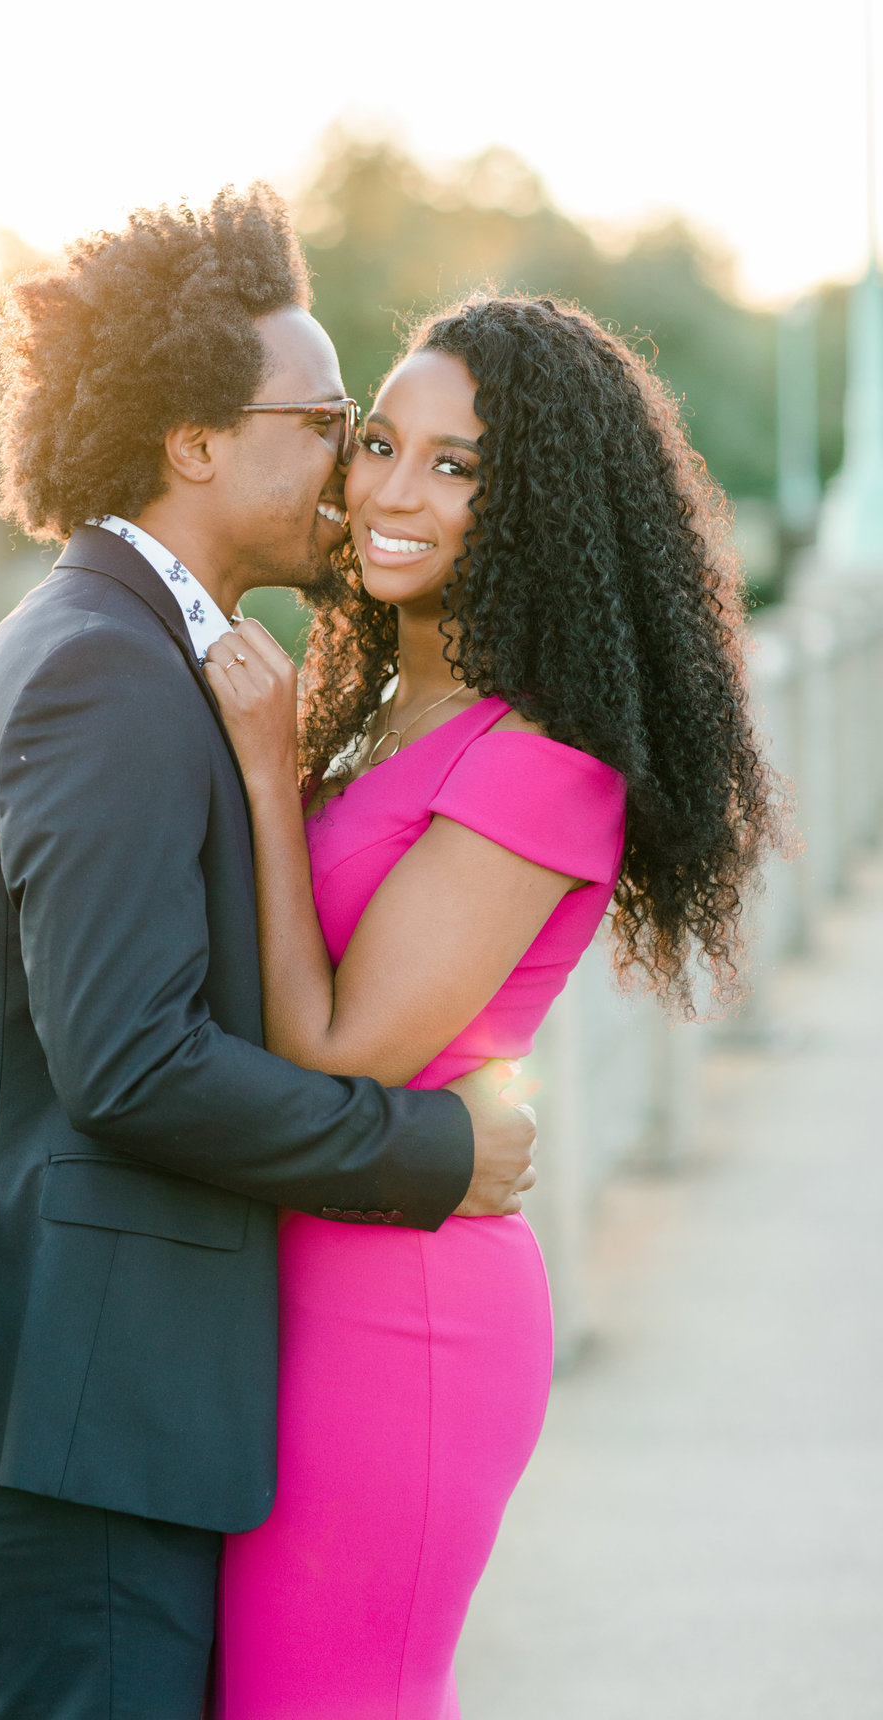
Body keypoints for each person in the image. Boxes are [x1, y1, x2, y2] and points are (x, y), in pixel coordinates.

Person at [0, 190, 539, 1720]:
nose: (353, 467)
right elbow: (132, 1064)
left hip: (77, 1393)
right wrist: (430, 1149)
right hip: (68, 1406)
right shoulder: (106, 671)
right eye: (331, 419)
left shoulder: (144, 650)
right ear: (195, 444)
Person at [203, 293, 779, 1719]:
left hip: (401, 1313)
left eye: (458, 466)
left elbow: (337, 1047)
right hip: (299, 1279)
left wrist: (267, 783)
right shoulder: (383, 720)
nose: (394, 492)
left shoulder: (538, 762)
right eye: (382, 443)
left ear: (542, 507)